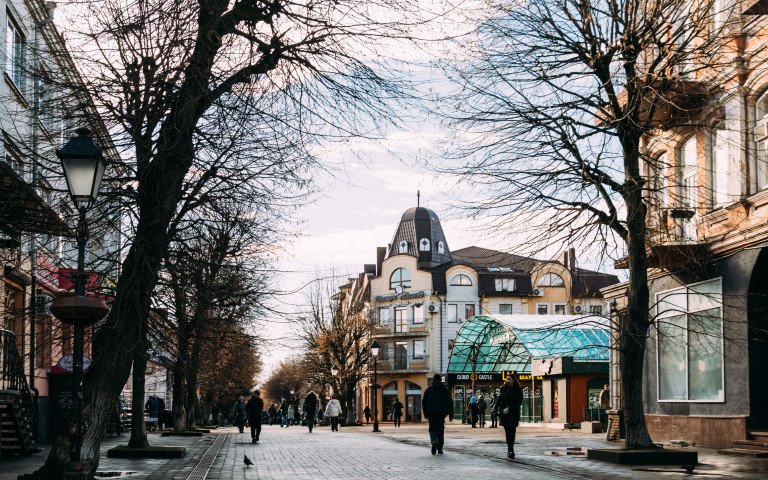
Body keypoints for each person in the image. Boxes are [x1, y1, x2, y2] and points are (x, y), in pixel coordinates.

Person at [422, 373, 453, 455]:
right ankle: (440, 448)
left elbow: (424, 402)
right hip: (441, 413)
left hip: (431, 413)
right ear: (440, 380)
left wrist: (425, 413)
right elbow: (450, 402)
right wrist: (450, 414)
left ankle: (434, 441)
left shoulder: (428, 390)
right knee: (440, 430)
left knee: (432, 429)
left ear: (433, 380)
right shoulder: (444, 390)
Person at [496, 375, 523, 459]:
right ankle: (509, 449)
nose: (507, 380)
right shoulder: (503, 388)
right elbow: (499, 399)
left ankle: (511, 449)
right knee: (507, 431)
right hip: (505, 413)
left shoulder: (518, 390)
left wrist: (510, 407)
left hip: (514, 413)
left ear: (513, 380)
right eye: (507, 379)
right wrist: (495, 408)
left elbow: (519, 402)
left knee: (512, 431)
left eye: (509, 379)